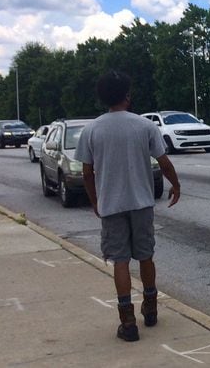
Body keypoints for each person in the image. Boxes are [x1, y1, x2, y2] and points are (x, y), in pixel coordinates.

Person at [75, 70, 181, 342]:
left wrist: (95, 200)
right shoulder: (144, 126)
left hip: (111, 206)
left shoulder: (92, 129)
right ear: (127, 96)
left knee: (120, 261)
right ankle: (151, 306)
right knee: (145, 255)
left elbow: (87, 172)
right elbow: (164, 161)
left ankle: (128, 320)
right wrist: (176, 185)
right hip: (141, 203)